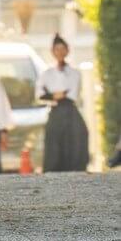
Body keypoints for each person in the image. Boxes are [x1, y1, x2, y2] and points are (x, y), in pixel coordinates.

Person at [36, 34, 90, 172]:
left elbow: (71, 94)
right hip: (55, 112)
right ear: (52, 52)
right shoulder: (47, 73)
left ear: (67, 51)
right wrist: (56, 95)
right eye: (56, 49)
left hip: (70, 111)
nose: (59, 52)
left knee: (76, 138)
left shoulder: (74, 73)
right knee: (54, 141)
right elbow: (39, 95)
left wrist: (52, 94)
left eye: (62, 49)